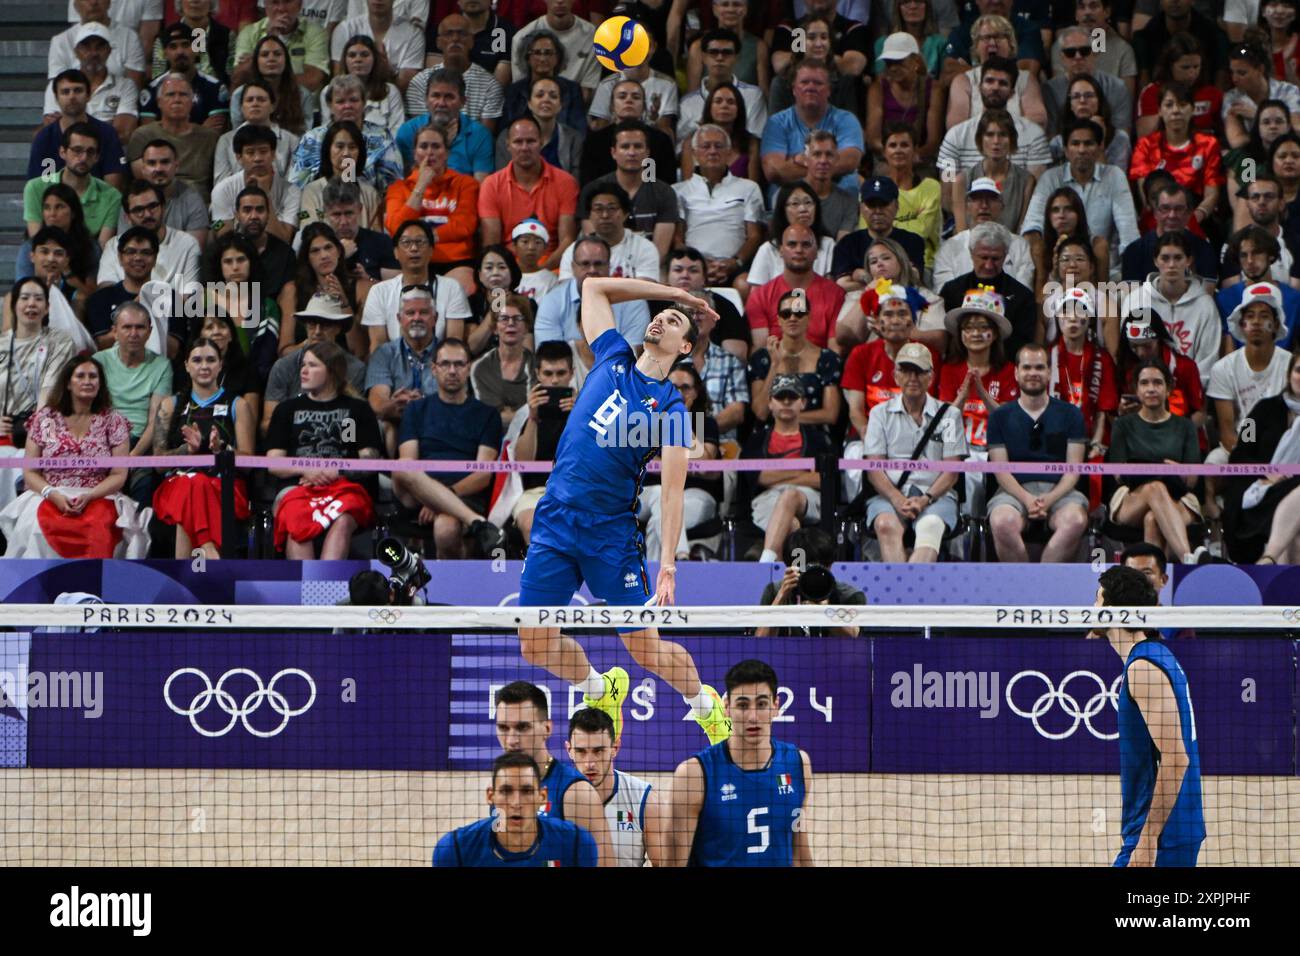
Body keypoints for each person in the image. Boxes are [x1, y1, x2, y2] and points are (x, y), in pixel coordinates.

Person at [515, 275, 735, 759]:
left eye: (674, 321)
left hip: (610, 535)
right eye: (661, 313)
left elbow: (674, 493)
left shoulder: (671, 407)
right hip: (554, 520)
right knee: (532, 644)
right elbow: (593, 287)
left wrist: (669, 564)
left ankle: (705, 705)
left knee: (646, 650)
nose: (661, 318)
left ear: (684, 347)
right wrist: (675, 294)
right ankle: (599, 687)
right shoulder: (611, 354)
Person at [1092, 564, 1205, 868]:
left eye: (1098, 600)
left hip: (1161, 835)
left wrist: (1148, 839)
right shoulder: (1155, 655)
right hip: (1167, 829)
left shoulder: (1144, 667)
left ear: (1115, 611)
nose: (1091, 608)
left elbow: (1176, 758)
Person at [0, 355, 149, 559]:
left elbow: (119, 474)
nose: (88, 381)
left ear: (101, 383)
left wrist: (90, 495)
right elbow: (30, 470)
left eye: (93, 376)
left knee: (100, 529)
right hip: (49, 493)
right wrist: (51, 493)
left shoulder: (114, 421)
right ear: (68, 383)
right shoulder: (45, 419)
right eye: (80, 376)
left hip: (99, 494)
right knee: (35, 527)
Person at [669, 659, 813, 867]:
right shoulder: (693, 775)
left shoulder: (798, 763)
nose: (752, 717)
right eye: (743, 705)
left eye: (762, 704)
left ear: (776, 706)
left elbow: (799, 851)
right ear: (727, 707)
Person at [265, 340, 382, 558]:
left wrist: (335, 472)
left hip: (344, 486)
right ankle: (306, 589)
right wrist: (307, 470)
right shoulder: (287, 410)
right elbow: (273, 461)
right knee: (297, 521)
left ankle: (327, 588)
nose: (304, 371)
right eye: (303, 365)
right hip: (298, 485)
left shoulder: (354, 410)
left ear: (332, 371)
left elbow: (366, 457)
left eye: (312, 365)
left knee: (343, 519)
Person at [394, 336, 505, 558]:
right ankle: (479, 523)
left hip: (465, 493)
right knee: (402, 466)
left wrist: (443, 497)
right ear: (434, 369)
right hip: (416, 493)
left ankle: (452, 590)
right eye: (445, 364)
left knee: (445, 530)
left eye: (459, 364)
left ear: (468, 368)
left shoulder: (488, 414)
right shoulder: (416, 410)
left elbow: (483, 475)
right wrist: (428, 496)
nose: (452, 371)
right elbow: (408, 464)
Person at [862, 342, 968, 563]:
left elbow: (951, 471)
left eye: (920, 371)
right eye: (906, 370)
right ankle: (908, 591)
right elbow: (874, 468)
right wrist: (897, 498)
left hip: (936, 495)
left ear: (931, 376)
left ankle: (904, 592)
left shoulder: (949, 415)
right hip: (889, 493)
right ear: (895, 375)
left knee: (930, 525)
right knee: (885, 525)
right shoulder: (879, 414)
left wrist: (925, 499)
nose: (913, 377)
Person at [151, 338, 255, 560]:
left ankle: (182, 579)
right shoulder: (170, 405)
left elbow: (248, 464)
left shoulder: (238, 405)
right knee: (192, 484)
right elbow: (158, 463)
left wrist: (221, 450)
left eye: (210, 360)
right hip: (176, 485)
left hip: (224, 488)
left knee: (194, 487)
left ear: (220, 365)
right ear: (187, 365)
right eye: (197, 360)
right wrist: (186, 452)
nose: (204, 366)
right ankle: (208, 551)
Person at [986, 343, 1090, 562]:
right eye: (1027, 368)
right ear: (1016, 372)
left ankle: (1043, 582)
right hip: (1013, 490)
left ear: (1049, 372)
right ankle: (1022, 588)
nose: (1033, 373)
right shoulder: (999, 416)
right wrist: (1027, 499)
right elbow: (1001, 471)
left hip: (1060, 490)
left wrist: (1049, 499)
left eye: (1039, 367)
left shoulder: (1071, 414)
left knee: (1075, 520)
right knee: (1001, 521)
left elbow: (1073, 470)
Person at [490, 680, 613, 865]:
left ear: (547, 729)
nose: (512, 739)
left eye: (522, 727)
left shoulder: (576, 793)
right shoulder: (499, 789)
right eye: (503, 728)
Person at [1106, 360, 1203, 561]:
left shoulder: (1185, 426)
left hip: (1179, 498)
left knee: (1153, 519)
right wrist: (1151, 470)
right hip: (1132, 497)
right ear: (1137, 389)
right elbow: (1118, 475)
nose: (1151, 389)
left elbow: (1192, 480)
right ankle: (1188, 557)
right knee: (1155, 487)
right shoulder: (1123, 425)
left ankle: (1152, 586)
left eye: (1158, 383)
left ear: (1169, 388)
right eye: (1144, 383)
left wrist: (1179, 470)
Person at [431, 752, 598, 867]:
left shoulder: (576, 843)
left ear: (542, 796)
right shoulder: (455, 850)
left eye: (526, 791)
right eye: (506, 791)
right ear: (491, 796)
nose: (516, 802)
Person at [1022, 119, 1139, 279]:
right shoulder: (1050, 178)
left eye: (1088, 143)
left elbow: (1129, 233)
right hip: (1058, 270)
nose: (1082, 150)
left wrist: (1132, 274)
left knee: (1102, 248)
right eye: (1075, 144)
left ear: (1100, 148)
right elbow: (1031, 227)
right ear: (1065, 149)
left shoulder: (1114, 175)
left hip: (1105, 270)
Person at [0, 279, 78, 513]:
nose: (31, 304)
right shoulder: (2, 344)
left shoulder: (59, 341)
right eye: (24, 298)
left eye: (38, 298)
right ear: (13, 304)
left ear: (47, 307)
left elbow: (50, 387)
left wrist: (37, 425)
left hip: (45, 430)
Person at [938, 293, 1017, 515]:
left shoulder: (1010, 371)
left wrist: (982, 392)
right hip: (961, 451)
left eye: (983, 327)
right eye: (969, 327)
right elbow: (946, 420)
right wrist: (962, 396)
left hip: (997, 451)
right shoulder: (949, 370)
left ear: (995, 334)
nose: (975, 333)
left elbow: (1009, 420)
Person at [741, 372, 832, 562]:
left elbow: (823, 479)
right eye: (780, 397)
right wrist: (801, 473)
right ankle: (793, 575)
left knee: (790, 495)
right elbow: (759, 478)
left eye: (793, 397)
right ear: (770, 403)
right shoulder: (757, 440)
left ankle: (765, 563)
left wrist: (780, 477)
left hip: (809, 497)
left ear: (803, 403)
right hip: (766, 499)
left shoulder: (819, 440)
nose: (786, 402)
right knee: (790, 524)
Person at [638, 362, 721, 561]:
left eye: (685, 387)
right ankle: (682, 557)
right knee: (661, 493)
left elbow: (705, 463)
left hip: (695, 494)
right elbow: (639, 462)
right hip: (647, 493)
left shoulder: (706, 423)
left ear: (697, 392)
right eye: (672, 387)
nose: (678, 392)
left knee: (659, 519)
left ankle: (655, 585)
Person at [565, 707, 668, 868]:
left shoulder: (646, 800)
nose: (589, 763)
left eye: (598, 751)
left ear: (615, 748)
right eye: (581, 751)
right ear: (569, 750)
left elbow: (665, 863)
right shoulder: (552, 796)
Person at [1121, 231, 1225, 388]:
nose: (1171, 265)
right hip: (1144, 390)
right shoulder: (1136, 300)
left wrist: (1187, 392)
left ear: (1188, 261)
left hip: (1190, 392)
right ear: (1155, 261)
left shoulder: (1205, 305)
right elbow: (1129, 353)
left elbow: (1208, 361)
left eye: (1178, 258)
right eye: (1165, 258)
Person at [1223, 350, 1300, 562]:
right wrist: (1268, 473)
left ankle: (1271, 562)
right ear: (1289, 374)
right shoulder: (1261, 409)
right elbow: (1239, 455)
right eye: (1299, 370)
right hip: (1260, 490)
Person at [385, 123, 479, 291]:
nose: (430, 152)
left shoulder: (465, 184)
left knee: (462, 287)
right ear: (415, 154)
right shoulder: (398, 188)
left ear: (447, 153)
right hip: (411, 262)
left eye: (436, 146)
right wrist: (421, 185)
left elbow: (464, 226)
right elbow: (396, 228)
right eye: (423, 146)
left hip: (455, 261)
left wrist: (422, 239)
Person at [534, 236, 651, 372]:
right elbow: (549, 357)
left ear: (609, 266)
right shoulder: (552, 301)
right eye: (585, 264)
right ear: (573, 267)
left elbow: (631, 356)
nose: (592, 270)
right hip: (565, 380)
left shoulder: (633, 301)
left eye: (598, 264)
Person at [671, 125, 766, 289]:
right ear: (694, 154)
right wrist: (699, 264)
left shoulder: (749, 188)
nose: (712, 151)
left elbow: (754, 236)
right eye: (706, 146)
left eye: (718, 146)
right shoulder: (678, 191)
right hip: (692, 264)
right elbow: (678, 239)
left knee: (744, 285)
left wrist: (735, 262)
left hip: (735, 264)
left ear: (729, 153)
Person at [478, 116, 578, 268]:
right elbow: (491, 245)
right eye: (518, 142)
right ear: (508, 145)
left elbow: (567, 241)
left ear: (541, 143)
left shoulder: (566, 182)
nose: (524, 147)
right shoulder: (491, 185)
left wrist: (540, 272)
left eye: (531, 141)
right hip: (508, 268)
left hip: (553, 266)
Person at [262, 292, 368, 434]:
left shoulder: (355, 369)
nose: (317, 331)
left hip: (339, 446)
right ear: (305, 326)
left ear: (338, 328)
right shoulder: (283, 367)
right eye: (312, 324)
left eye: (325, 324)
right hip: (293, 446)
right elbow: (268, 424)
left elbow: (354, 425)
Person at [1129, 84, 1225, 239]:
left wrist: (1192, 219)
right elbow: (1146, 195)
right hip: (1157, 217)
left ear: (1193, 109)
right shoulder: (1145, 145)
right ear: (1159, 110)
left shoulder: (1209, 144)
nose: (1176, 111)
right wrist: (1168, 218)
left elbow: (1211, 195)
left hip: (1196, 217)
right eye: (1169, 105)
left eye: (1182, 104)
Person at [362, 219, 473, 352]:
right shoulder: (379, 291)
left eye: (420, 242)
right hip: (394, 366)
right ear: (396, 252)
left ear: (431, 250)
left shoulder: (451, 288)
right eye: (406, 243)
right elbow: (378, 345)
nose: (414, 248)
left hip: (439, 365)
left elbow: (454, 341)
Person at [760, 60, 864, 201]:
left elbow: (850, 161)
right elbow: (774, 171)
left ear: (828, 90)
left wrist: (797, 160)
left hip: (840, 199)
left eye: (818, 83)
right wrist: (827, 166)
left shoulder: (846, 120)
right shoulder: (776, 123)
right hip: (791, 203)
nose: (810, 87)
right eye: (804, 82)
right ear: (794, 89)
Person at [580, 121, 680, 262]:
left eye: (638, 146)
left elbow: (659, 253)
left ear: (647, 152)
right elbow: (594, 244)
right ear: (613, 152)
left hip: (648, 269)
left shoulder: (664, 192)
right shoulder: (593, 191)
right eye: (625, 147)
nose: (632, 152)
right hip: (605, 268)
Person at [509, 340, 576, 544]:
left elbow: (594, 460)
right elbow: (523, 462)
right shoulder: (525, 412)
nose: (554, 380)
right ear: (537, 373)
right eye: (548, 373)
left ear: (572, 373)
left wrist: (579, 417)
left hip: (577, 489)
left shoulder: (588, 409)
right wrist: (533, 418)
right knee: (531, 523)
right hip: (534, 492)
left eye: (560, 373)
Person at [938, 222, 1039, 355]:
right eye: (984, 257)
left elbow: (1023, 345)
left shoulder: (1022, 297)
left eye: (995, 259)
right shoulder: (951, 291)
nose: (989, 265)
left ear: (1005, 255)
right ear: (971, 253)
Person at [289, 77, 404, 191]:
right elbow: (295, 185)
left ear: (364, 102)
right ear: (330, 105)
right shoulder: (312, 138)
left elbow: (395, 186)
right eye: (340, 101)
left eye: (353, 100)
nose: (348, 106)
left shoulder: (382, 137)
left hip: (369, 203)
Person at [1044, 286, 1118, 462]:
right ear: (1057, 318)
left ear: (1090, 319)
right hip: (1052, 438)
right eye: (1066, 312)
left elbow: (1103, 410)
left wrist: (1096, 444)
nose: (1073, 319)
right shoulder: (1046, 357)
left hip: (1091, 438)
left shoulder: (1103, 358)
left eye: (1080, 312)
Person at [365, 282, 440, 453]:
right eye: (410, 313)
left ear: (435, 318)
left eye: (424, 313)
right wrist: (395, 404)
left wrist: (418, 405)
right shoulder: (383, 354)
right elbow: (377, 404)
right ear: (399, 319)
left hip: (439, 425)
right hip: (397, 424)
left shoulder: (447, 353)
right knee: (385, 425)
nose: (417, 318)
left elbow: (455, 401)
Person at [126, 73, 222, 203]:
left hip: (204, 208)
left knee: (221, 223)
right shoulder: (142, 136)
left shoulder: (210, 137)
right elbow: (146, 181)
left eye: (183, 95)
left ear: (192, 101)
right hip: (158, 206)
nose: (177, 100)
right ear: (159, 102)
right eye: (170, 95)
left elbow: (218, 182)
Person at [24, 124, 122, 251]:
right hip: (46, 257)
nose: (83, 158)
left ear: (97, 157)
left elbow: (103, 248)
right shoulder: (35, 188)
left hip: (87, 260)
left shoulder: (112, 196)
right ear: (62, 152)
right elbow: (37, 241)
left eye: (90, 152)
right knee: (26, 248)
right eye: (77, 150)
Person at [754, 526, 865, 637]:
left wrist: (826, 612)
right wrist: (780, 598)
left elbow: (854, 640)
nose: (812, 577)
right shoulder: (774, 592)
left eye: (818, 569)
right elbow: (759, 644)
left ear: (830, 565)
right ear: (790, 566)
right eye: (805, 568)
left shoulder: (850, 596)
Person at [30, 69, 128, 192]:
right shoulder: (44, 138)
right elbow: (39, 188)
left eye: (78, 90)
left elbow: (112, 188)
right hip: (56, 208)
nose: (72, 97)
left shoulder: (107, 134)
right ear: (56, 98)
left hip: (98, 206)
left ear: (88, 95)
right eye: (65, 92)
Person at [43, 22, 141, 144]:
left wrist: (69, 122)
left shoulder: (125, 86)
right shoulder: (57, 86)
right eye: (86, 47)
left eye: (100, 47)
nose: (93, 53)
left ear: (109, 50)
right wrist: (107, 125)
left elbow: (122, 134)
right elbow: (50, 133)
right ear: (76, 52)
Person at [945, 14, 1048, 129]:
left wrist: (1005, 137)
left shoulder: (1025, 79)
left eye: (999, 37)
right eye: (986, 38)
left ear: (1011, 45)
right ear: (976, 47)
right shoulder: (963, 81)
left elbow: (1038, 121)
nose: (992, 43)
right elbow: (955, 127)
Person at [99, 181, 201, 293]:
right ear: (127, 217)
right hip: (123, 309)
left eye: (152, 206)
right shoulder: (113, 246)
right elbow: (107, 291)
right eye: (138, 210)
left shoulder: (187, 244)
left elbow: (189, 295)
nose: (147, 214)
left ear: (163, 208)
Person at [408, 15, 503, 134]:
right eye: (448, 34)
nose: (455, 39)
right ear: (438, 42)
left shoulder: (490, 85)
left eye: (462, 34)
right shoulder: (420, 82)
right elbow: (421, 133)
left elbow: (483, 137)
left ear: (471, 41)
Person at [676, 28, 768, 149]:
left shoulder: (754, 96)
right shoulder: (688, 103)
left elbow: (755, 141)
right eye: (713, 52)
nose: (719, 58)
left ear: (736, 57)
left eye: (727, 52)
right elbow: (680, 148)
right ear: (703, 57)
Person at [935, 180, 1034, 289]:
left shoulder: (1020, 246)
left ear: (1002, 206)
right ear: (967, 206)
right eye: (977, 199)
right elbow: (944, 292)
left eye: (991, 199)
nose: (984, 205)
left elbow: (1024, 290)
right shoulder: (950, 247)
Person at [577, 79, 678, 186]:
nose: (629, 100)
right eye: (622, 96)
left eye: (636, 97)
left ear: (644, 107)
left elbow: (668, 183)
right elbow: (588, 183)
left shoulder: (661, 140)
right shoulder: (595, 141)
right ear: (611, 106)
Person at [951, 109, 1035, 235]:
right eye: (990, 135)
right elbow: (961, 233)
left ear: (1012, 139)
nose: (996, 141)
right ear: (980, 139)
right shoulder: (961, 180)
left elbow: (1021, 231)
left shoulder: (1026, 181)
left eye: (1003, 135)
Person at [1042, 23, 1133, 138]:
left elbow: (1123, 136)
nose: (1078, 57)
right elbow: (1052, 136)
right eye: (1070, 53)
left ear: (1094, 53)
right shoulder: (1050, 89)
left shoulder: (1117, 87)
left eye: (1084, 51)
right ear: (1062, 58)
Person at [866, 33, 943, 161]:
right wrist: (895, 154)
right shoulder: (878, 88)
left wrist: (913, 156)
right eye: (889, 63)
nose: (893, 68)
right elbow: (873, 139)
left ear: (916, 62)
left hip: (921, 159)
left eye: (899, 62)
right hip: (886, 158)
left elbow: (933, 141)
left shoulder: (934, 89)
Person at [745, 183, 836, 290]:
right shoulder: (768, 248)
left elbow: (831, 289)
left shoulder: (828, 244)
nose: (803, 209)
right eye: (795, 203)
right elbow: (756, 294)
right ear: (782, 210)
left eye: (808, 202)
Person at [139, 23, 230, 130]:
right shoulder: (152, 90)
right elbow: (149, 133)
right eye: (173, 47)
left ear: (196, 50)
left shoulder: (215, 87)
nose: (180, 51)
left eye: (185, 45)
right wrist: (201, 129)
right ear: (165, 54)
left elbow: (216, 132)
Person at [559, 186, 659, 281]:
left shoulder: (644, 248)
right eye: (598, 209)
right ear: (589, 216)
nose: (605, 215)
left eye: (612, 208)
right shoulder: (573, 251)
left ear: (625, 214)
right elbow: (566, 291)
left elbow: (645, 291)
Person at [1218, 226, 1300, 342]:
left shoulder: (1295, 299)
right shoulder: (1225, 299)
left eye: (1257, 253)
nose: (1250, 261)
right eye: (1243, 255)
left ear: (1270, 255)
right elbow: (1227, 348)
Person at [509, 0, 602, 101]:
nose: (560, 1)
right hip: (532, 108)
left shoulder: (593, 36)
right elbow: (521, 89)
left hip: (576, 108)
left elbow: (587, 89)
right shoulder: (521, 38)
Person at [1135, 32, 1222, 140]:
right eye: (1185, 67)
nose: (1192, 73)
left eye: (1196, 67)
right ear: (1169, 66)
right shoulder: (1152, 92)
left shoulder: (1212, 93)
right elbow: (1144, 136)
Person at [232, 0, 330, 94]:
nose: (281, 8)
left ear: (299, 5)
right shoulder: (249, 33)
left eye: (287, 1)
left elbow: (312, 81)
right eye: (274, 2)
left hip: (301, 105)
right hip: (260, 104)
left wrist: (259, 70)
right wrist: (268, 39)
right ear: (265, 6)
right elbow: (238, 79)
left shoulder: (316, 33)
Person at [310, 177, 399, 281]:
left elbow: (394, 291)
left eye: (349, 213)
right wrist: (340, 257)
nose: (343, 222)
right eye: (336, 215)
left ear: (360, 209)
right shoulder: (315, 247)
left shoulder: (382, 242)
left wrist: (368, 280)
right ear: (325, 212)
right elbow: (309, 287)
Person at [213, 81, 302, 184]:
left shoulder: (292, 140)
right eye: (249, 100)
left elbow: (294, 182)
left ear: (272, 106)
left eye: (261, 100)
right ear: (241, 108)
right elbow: (221, 182)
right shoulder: (226, 140)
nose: (255, 104)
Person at [504, 29, 588, 134]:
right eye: (537, 53)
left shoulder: (572, 90)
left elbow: (579, 132)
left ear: (558, 57)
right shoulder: (514, 91)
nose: (543, 58)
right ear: (527, 57)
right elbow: (505, 132)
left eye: (548, 53)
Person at [328, 0, 424, 92]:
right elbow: (339, 78)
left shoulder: (413, 34)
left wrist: (387, 73)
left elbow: (405, 87)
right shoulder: (344, 29)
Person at [470, 293, 535, 425]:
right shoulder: (480, 367)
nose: (511, 323)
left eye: (517, 318)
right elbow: (489, 417)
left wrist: (508, 413)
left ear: (526, 327)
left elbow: (537, 414)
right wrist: (525, 414)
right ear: (494, 328)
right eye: (504, 318)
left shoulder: (538, 366)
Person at [229, 34, 311, 135]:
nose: (271, 59)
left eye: (277, 54)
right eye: (264, 55)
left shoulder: (302, 94)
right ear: (256, 61)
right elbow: (237, 134)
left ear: (286, 60)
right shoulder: (239, 94)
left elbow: (305, 137)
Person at [329, 34, 405, 137]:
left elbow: (397, 133)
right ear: (344, 60)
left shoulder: (390, 91)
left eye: (364, 55)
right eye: (352, 55)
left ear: (375, 59)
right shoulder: (330, 91)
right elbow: (327, 130)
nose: (358, 59)